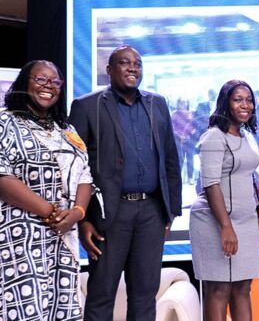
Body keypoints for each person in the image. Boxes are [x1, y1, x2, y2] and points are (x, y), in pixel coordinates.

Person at [0, 60, 93, 320]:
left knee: (61, 306)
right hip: (16, 236)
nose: (48, 86)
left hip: (61, 235)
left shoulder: (66, 129)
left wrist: (78, 213)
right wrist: (52, 212)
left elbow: (84, 174)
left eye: (55, 81)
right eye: (40, 80)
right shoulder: (2, 121)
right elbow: (0, 178)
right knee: (21, 308)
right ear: (25, 83)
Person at [69, 45, 182, 321]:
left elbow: (169, 157)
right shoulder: (86, 106)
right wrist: (83, 219)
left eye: (137, 64)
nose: (132, 68)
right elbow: (74, 167)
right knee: (101, 293)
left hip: (152, 212)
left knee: (145, 294)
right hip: (109, 215)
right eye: (124, 62)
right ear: (109, 70)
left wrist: (171, 211)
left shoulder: (157, 104)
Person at [189, 80, 259, 321]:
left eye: (248, 100)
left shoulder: (246, 136)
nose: (245, 105)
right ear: (225, 103)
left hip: (245, 221)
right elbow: (211, 183)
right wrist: (226, 227)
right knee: (218, 289)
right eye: (238, 99)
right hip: (216, 223)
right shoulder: (214, 136)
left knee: (243, 288)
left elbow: (249, 177)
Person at [172, 97, 196, 184]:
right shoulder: (174, 114)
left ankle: (190, 178)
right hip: (178, 140)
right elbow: (172, 127)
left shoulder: (192, 113)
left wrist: (191, 134)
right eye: (181, 102)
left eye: (185, 102)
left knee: (190, 159)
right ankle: (178, 178)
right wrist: (179, 136)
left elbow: (195, 126)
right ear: (178, 103)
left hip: (190, 140)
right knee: (179, 159)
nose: (183, 104)